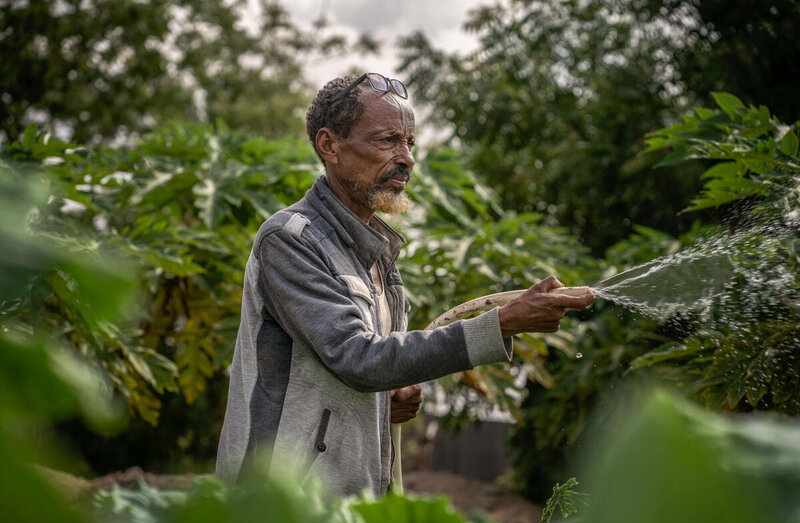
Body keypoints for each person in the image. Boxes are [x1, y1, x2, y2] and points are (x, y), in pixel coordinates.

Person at [215, 73, 594, 497]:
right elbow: (357, 358)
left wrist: (386, 401)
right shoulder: (290, 239)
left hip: (351, 502)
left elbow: (362, 373)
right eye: (387, 141)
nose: (407, 159)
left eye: (409, 143)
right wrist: (500, 324)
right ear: (329, 146)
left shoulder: (379, 256)